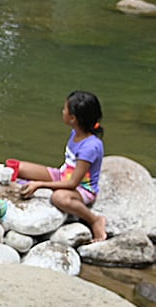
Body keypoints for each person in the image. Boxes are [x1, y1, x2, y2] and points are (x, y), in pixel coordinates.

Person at [9, 90, 107, 242]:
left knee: (59, 198)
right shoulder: (75, 133)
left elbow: (73, 183)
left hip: (82, 189)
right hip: (63, 175)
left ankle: (94, 220)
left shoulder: (90, 147)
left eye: (65, 109)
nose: (63, 112)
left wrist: (39, 184)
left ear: (73, 118)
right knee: (19, 168)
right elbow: (69, 171)